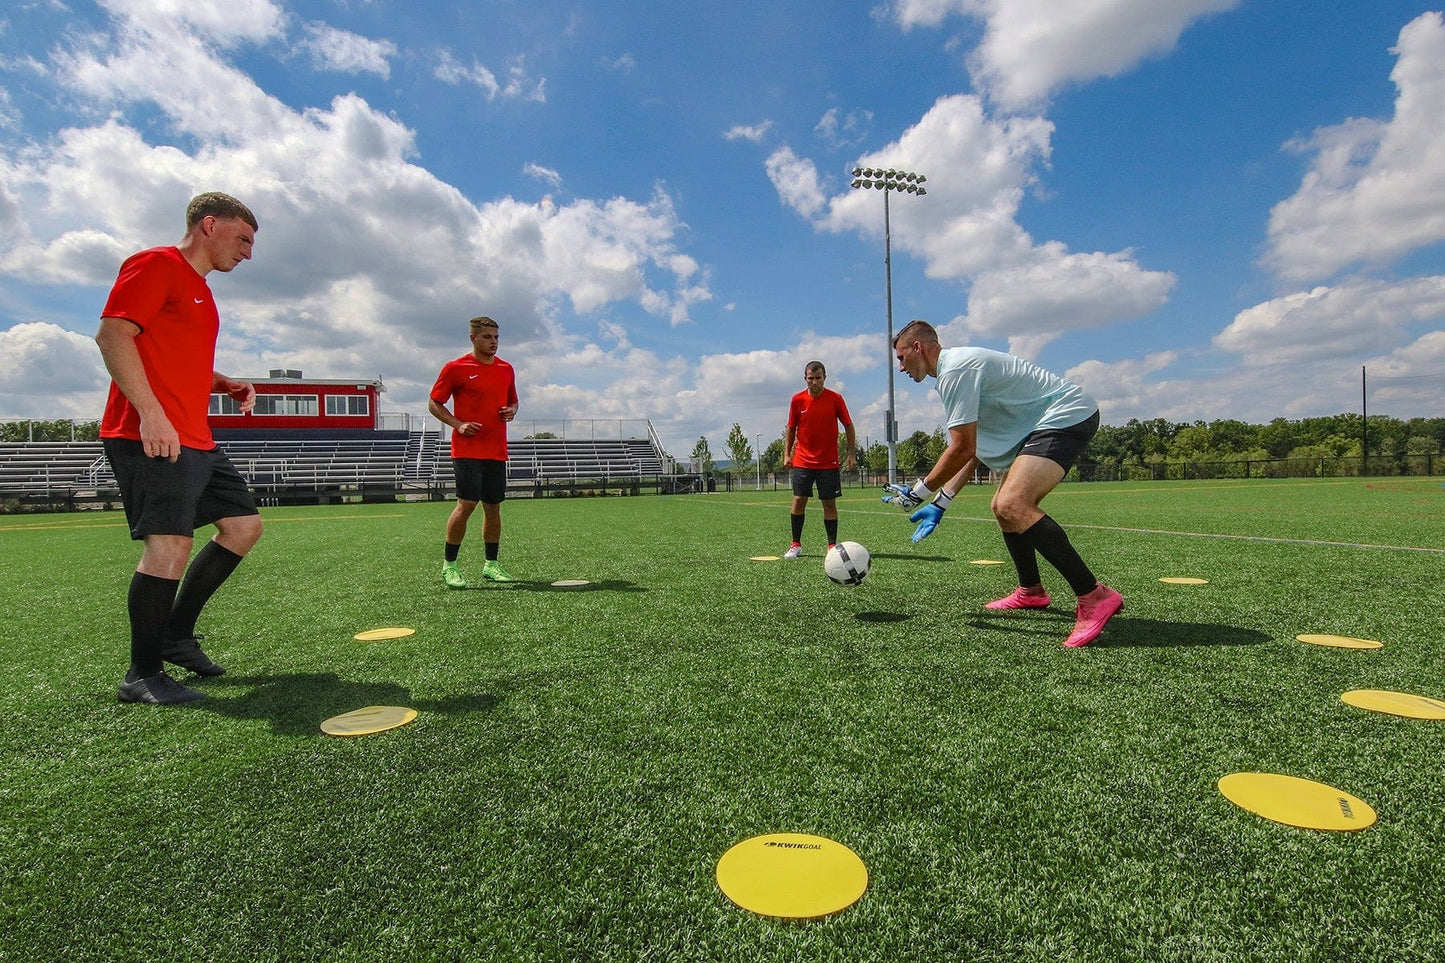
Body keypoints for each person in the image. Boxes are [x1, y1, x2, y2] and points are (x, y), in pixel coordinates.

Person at [95, 192, 264, 705]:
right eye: (243, 239)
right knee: (169, 545)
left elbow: (171, 356)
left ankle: (175, 635)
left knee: (243, 527)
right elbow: (113, 335)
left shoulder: (201, 292)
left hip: (196, 436)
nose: (248, 253)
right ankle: (141, 674)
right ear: (209, 225)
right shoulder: (155, 264)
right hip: (150, 432)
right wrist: (151, 413)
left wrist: (224, 382)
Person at [884, 319, 1122, 647]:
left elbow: (961, 448)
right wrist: (941, 501)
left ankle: (1094, 595)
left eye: (900, 357)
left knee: (1014, 503)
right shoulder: (952, 375)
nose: (900, 367)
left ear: (918, 348)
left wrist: (918, 492)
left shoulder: (955, 370)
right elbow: (973, 448)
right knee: (1001, 507)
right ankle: (1031, 591)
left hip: (1067, 415)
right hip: (1045, 424)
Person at [429, 316, 519, 587]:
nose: (493, 342)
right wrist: (458, 424)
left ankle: (491, 565)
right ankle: (450, 566)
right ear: (473, 338)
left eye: (496, 337)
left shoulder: (506, 369)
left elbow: (513, 401)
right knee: (467, 504)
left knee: (493, 508)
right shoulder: (456, 368)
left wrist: (511, 411)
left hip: (496, 450)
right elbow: (434, 403)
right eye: (487, 337)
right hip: (467, 449)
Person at [782, 360, 857, 558]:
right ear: (805, 379)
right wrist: (787, 453)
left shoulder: (835, 399)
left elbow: (848, 426)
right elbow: (791, 428)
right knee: (799, 500)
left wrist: (851, 454)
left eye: (818, 378)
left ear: (824, 378)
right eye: (810, 378)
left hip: (828, 461)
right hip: (803, 460)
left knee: (829, 503)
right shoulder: (797, 400)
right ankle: (795, 544)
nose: (814, 382)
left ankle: (832, 546)